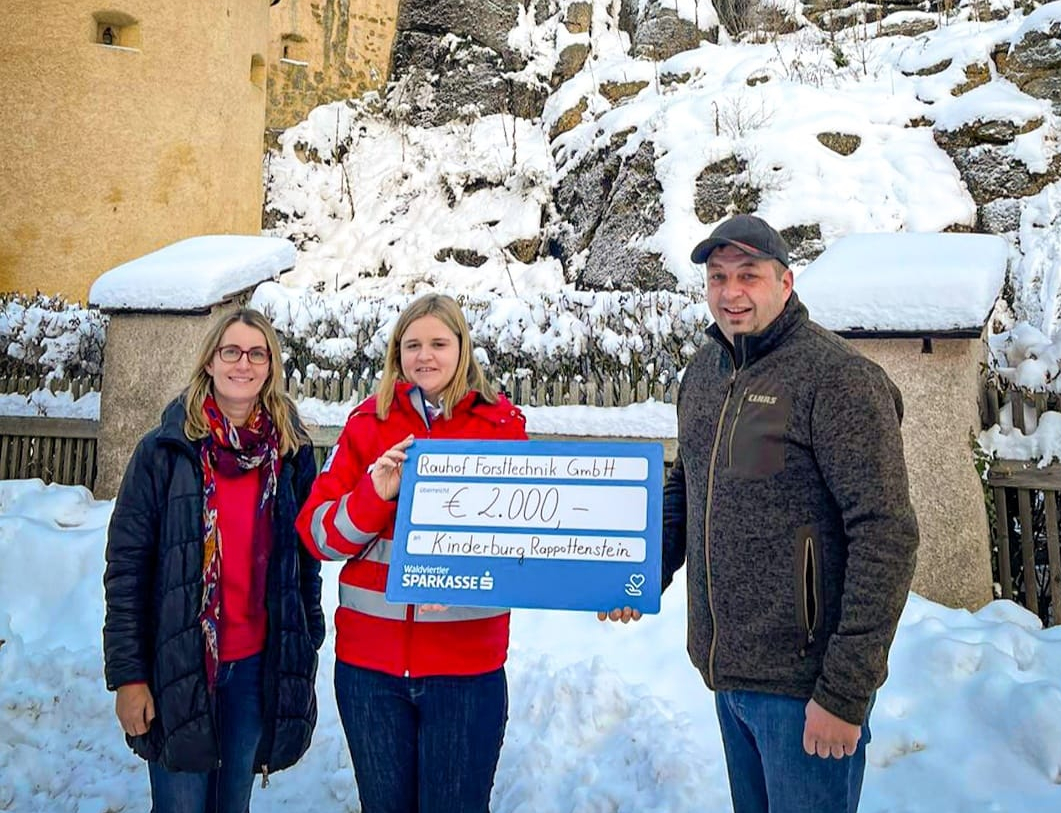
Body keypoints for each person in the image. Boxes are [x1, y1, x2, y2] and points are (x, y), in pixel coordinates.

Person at [602, 215, 920, 813]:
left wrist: (845, 693)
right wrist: (637, 573)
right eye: (717, 277)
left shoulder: (840, 379)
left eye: (748, 275)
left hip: (806, 691)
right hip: (729, 675)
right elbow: (687, 486)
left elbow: (886, 536)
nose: (730, 292)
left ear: (786, 281)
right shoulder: (704, 373)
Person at [297, 293, 527, 813]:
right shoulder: (365, 425)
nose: (425, 356)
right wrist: (374, 494)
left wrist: (606, 585)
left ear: (462, 348)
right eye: (412, 344)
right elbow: (318, 536)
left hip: (465, 670)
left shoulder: (499, 426)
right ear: (396, 353)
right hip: (370, 672)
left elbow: (524, 547)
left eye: (439, 343)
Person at [103, 308, 325, 813]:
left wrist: (307, 634)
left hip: (254, 668)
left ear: (270, 365)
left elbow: (303, 561)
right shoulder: (164, 451)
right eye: (231, 351)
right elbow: (127, 570)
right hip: (178, 666)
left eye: (256, 353)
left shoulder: (289, 455)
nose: (242, 363)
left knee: (233, 805)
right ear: (209, 361)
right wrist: (129, 676)